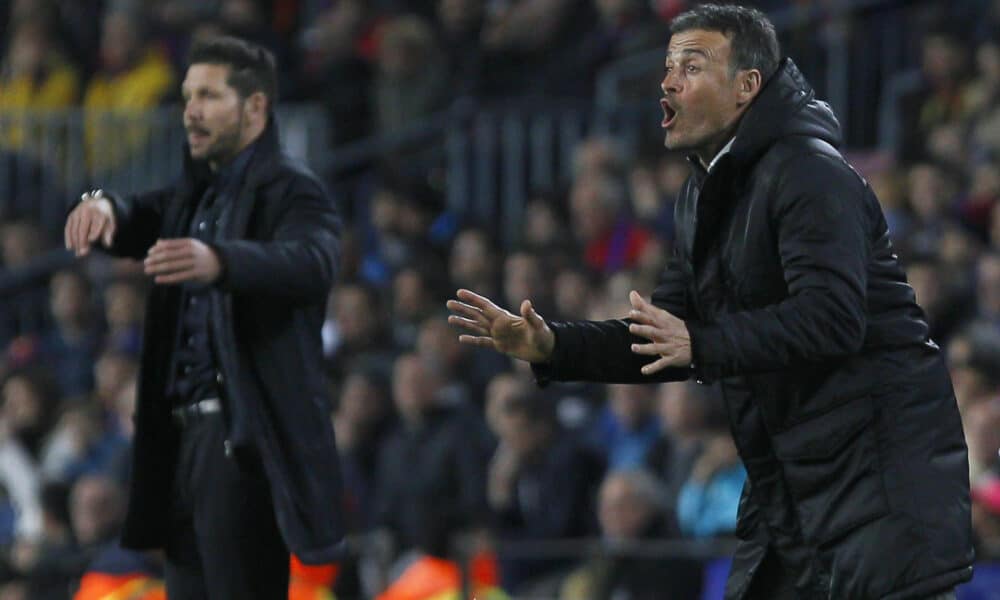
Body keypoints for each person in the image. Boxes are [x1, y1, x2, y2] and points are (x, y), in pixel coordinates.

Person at [447, 4, 974, 599]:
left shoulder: (810, 173)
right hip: (794, 482)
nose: (668, 82)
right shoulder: (703, 195)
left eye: (691, 67)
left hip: (880, 481)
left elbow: (833, 318)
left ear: (747, 87)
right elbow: (660, 335)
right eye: (668, 67)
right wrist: (554, 345)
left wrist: (703, 342)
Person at [63, 36, 344, 598]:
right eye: (188, 95)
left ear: (256, 107)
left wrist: (222, 261)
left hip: (242, 441)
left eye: (209, 96)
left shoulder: (293, 188)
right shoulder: (193, 197)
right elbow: (135, 211)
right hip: (182, 442)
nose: (190, 110)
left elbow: (312, 262)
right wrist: (99, 200)